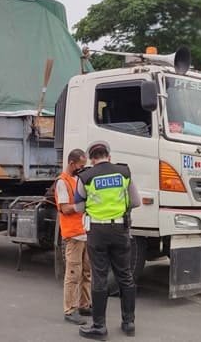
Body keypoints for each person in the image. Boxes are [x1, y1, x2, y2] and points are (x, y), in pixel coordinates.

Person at [74, 141, 141, 340]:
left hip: (97, 231)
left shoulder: (85, 176)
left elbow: (77, 208)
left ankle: (99, 327)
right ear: (108, 156)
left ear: (92, 159)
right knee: (125, 276)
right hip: (120, 229)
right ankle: (129, 323)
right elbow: (135, 202)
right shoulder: (124, 173)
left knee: (100, 276)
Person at [55, 149, 92, 325]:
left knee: (86, 272)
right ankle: (70, 310)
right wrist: (83, 206)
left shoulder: (77, 180)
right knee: (73, 274)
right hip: (73, 235)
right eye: (80, 165)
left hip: (84, 232)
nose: (82, 168)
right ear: (72, 163)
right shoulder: (62, 182)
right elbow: (65, 208)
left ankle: (84, 305)